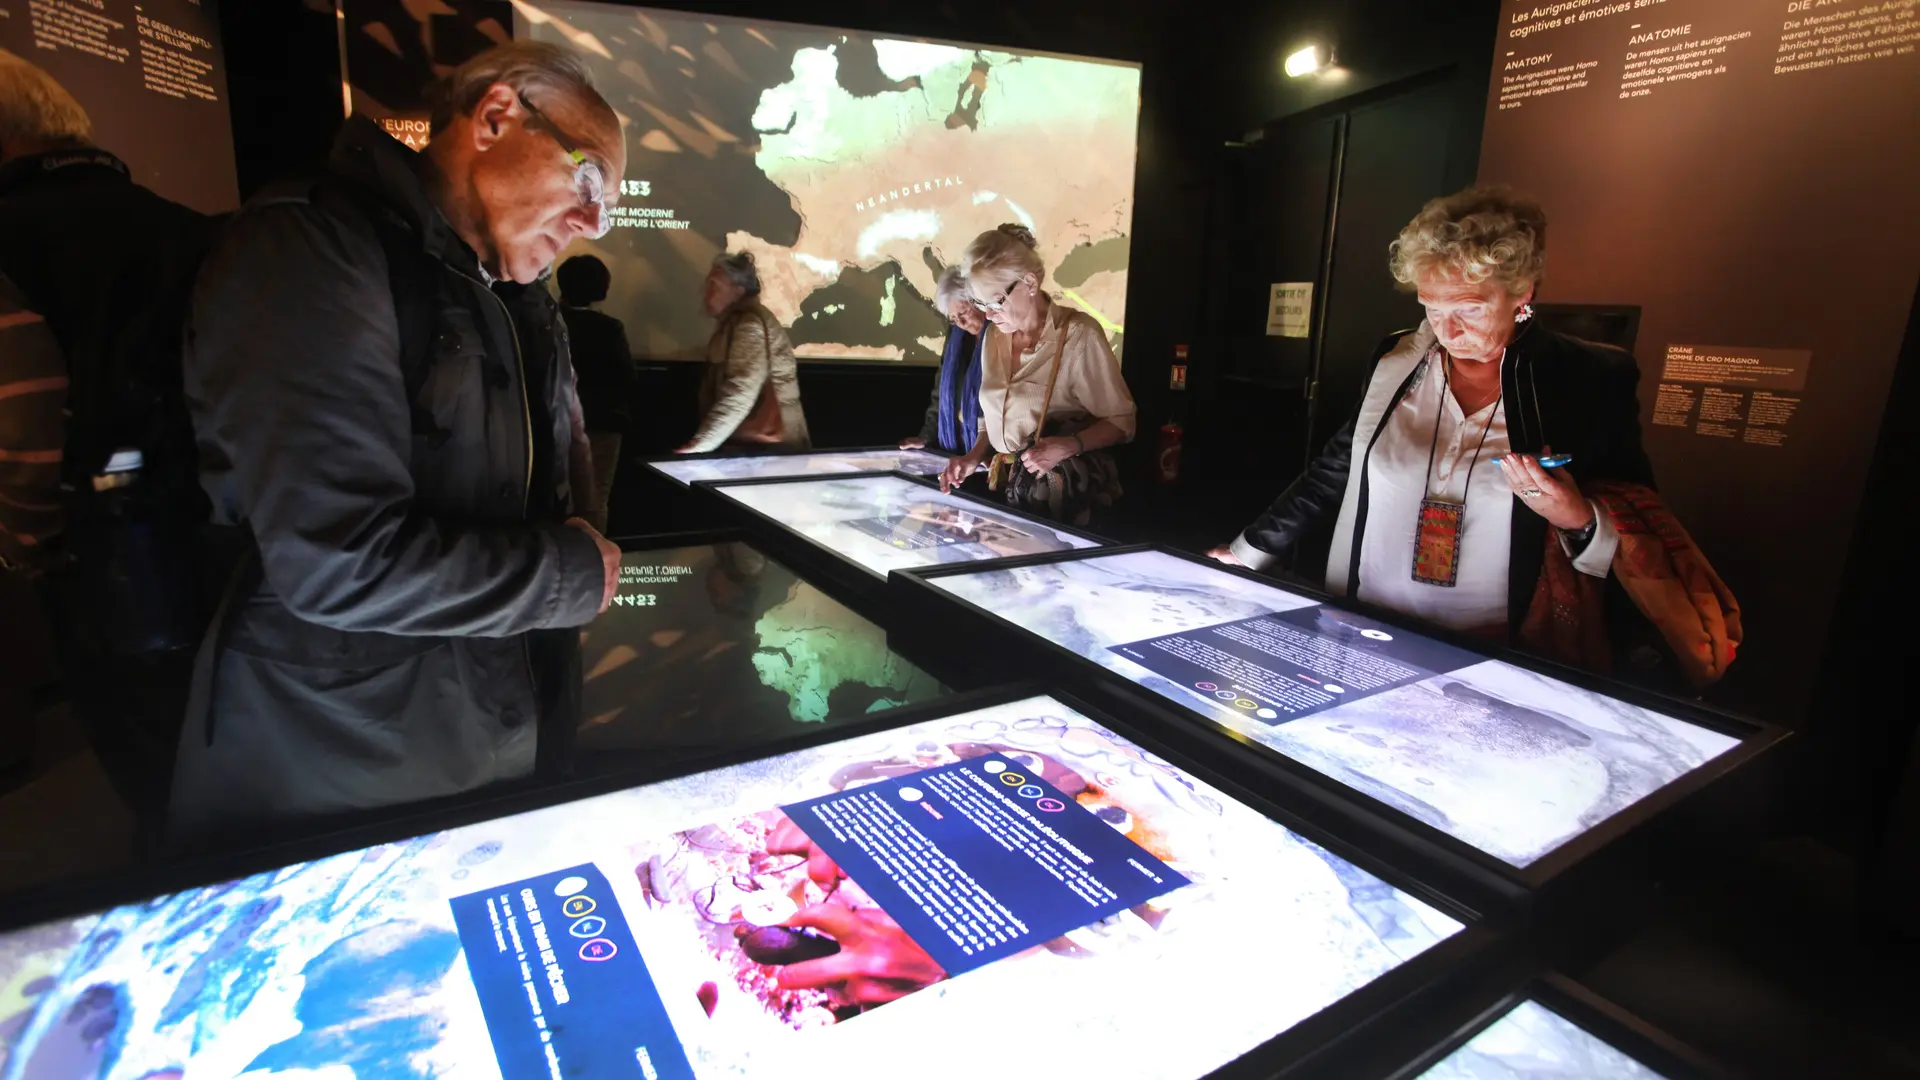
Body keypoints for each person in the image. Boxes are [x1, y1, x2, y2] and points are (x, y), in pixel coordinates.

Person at [167, 43, 627, 849]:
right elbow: (337, 559)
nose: (593, 225)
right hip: (342, 771)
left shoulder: (514, 296)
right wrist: (568, 576)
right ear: (494, 117)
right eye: (589, 183)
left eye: (609, 209)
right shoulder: (313, 247)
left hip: (476, 742)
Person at [1210, 186, 1737, 687]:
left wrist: (1576, 517)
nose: (1447, 330)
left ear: (1521, 293)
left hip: (1494, 651)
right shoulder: (1398, 359)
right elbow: (1338, 468)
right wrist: (1248, 552)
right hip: (1358, 627)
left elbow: (1638, 510)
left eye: (1469, 307)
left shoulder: (1588, 377)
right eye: (1431, 307)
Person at [0, 49, 220, 838]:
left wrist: (31, 547)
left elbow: (24, 434)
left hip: (111, 580)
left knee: (158, 791)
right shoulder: (189, 228)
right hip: (236, 558)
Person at [937, 224, 1134, 525]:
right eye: (980, 303)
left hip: (1056, 507)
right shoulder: (994, 338)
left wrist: (1068, 446)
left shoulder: (1079, 335)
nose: (988, 315)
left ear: (1029, 282)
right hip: (1007, 496)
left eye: (995, 301)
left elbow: (1122, 422)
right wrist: (972, 458)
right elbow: (992, 419)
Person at [676, 251, 811, 453]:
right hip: (755, 446)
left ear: (737, 292)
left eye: (715, 285)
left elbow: (740, 393)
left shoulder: (749, 326)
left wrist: (700, 446)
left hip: (768, 451)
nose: (706, 291)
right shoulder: (734, 323)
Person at [556, 254, 636, 532]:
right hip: (604, 423)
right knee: (596, 498)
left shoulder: (549, 322)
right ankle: (595, 561)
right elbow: (625, 377)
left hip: (556, 421)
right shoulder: (610, 328)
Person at [900, 265, 987, 456]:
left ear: (979, 300)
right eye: (954, 318)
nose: (961, 324)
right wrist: (926, 436)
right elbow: (941, 391)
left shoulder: (1003, 333)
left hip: (989, 455)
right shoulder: (956, 335)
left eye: (963, 313)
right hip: (953, 451)